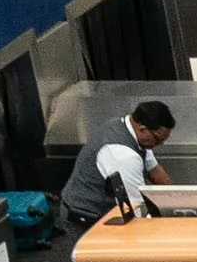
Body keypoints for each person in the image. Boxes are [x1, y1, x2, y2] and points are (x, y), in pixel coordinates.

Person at [58, 96, 177, 229]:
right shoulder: (123, 156)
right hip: (86, 217)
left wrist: (176, 203)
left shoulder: (132, 131)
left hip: (103, 209)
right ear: (142, 128)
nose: (160, 144)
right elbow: (136, 209)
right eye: (158, 139)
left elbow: (155, 171)